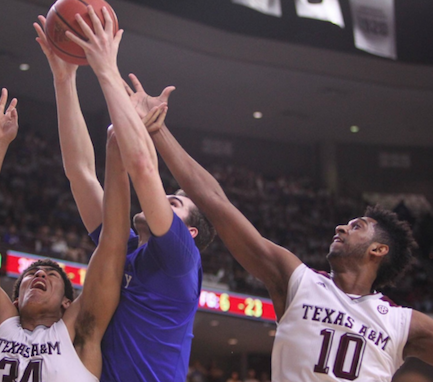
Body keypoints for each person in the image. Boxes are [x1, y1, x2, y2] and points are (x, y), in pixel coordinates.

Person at [121, 76, 433, 380]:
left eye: (357, 226)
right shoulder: (298, 281)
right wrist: (158, 130)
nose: (341, 227)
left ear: (378, 250)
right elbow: (216, 203)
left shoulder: (400, 322)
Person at [33, 7, 215, 382]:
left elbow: (145, 169)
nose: (164, 199)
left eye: (175, 203)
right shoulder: (125, 247)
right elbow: (81, 173)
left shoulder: (181, 259)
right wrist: (64, 79)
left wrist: (106, 68)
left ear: (190, 232)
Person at [0, 85, 131, 381]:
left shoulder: (78, 334)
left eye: (50, 276)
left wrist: (117, 153)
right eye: (30, 275)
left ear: (67, 303)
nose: (38, 275)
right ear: (14, 302)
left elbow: (113, 246)